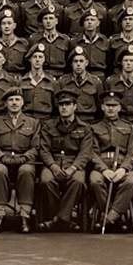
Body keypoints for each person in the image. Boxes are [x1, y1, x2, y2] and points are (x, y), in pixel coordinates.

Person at [0, 88, 40, 233]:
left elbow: (36, 147)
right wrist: (1, 157)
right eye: (10, 100)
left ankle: (24, 215)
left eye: (17, 100)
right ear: (5, 104)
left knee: (27, 171)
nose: (14, 103)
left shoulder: (33, 123)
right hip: (2, 159)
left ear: (23, 103)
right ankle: (0, 215)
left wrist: (25, 157)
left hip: (24, 160)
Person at [37, 89, 90, 233]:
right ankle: (65, 219)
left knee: (78, 181)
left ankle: (57, 220)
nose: (64, 107)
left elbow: (85, 153)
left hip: (74, 164)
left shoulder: (84, 128)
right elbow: (44, 149)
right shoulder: (49, 126)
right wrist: (53, 166)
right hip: (53, 162)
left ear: (75, 106)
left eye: (68, 104)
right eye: (61, 105)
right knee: (46, 180)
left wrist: (73, 168)